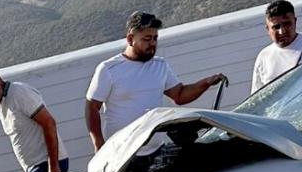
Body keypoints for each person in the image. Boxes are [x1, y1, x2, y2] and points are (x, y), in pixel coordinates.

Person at [85, 11, 226, 150]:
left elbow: (180, 95)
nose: (152, 43)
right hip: (121, 153)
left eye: (155, 38)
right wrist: (98, 145)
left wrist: (206, 82)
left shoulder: (160, 65)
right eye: (146, 39)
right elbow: (92, 107)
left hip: (156, 149)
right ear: (130, 39)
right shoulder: (108, 69)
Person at [250, 0, 302, 92]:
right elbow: (258, 96)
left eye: (286, 24)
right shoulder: (263, 57)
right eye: (276, 27)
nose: (282, 31)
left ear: (295, 21)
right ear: (268, 29)